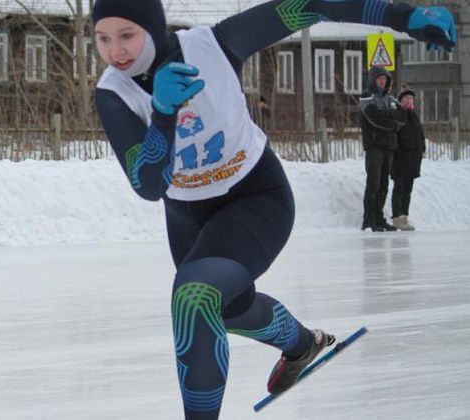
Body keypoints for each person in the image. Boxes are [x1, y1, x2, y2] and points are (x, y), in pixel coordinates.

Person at [91, 0, 455, 418]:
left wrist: (403, 17)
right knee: (226, 308)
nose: (115, 51)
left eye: (127, 35)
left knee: (195, 297)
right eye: (103, 38)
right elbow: (149, 185)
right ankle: (303, 344)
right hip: (188, 218)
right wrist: (162, 113)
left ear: (153, 29)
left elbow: (314, 6)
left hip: (255, 197)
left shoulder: (215, 44)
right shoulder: (113, 92)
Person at [360, 67, 408, 232]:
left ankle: (379, 219)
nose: (382, 81)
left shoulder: (391, 99)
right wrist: (391, 123)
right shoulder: (367, 97)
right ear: (373, 79)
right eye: (380, 78)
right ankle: (368, 220)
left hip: (388, 147)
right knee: (373, 183)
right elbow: (374, 119)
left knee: (384, 185)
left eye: (385, 79)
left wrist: (389, 119)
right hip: (374, 147)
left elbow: (402, 117)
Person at [391, 89, 426, 231]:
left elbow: (420, 135)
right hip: (400, 160)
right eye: (406, 98)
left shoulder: (414, 117)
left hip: (413, 161)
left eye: (411, 98)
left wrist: (422, 149)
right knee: (399, 188)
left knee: (408, 190)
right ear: (401, 101)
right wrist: (398, 152)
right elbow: (395, 137)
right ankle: (397, 217)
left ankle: (405, 215)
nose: (409, 100)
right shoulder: (398, 115)